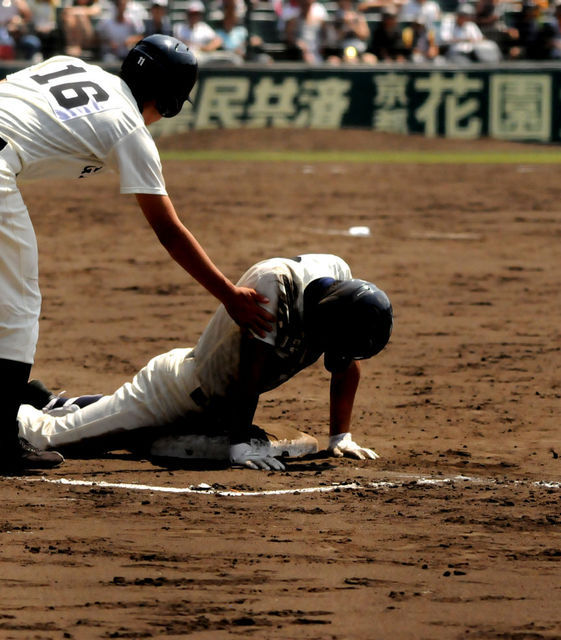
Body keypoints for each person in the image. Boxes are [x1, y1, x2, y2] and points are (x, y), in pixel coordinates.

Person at [0, 34, 273, 472]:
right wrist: (229, 294)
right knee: (17, 304)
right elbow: (169, 231)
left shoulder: (74, 64)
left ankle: (15, 392)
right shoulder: (129, 126)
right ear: (170, 101)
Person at [17, 254, 394, 471]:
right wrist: (239, 441)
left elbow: (345, 363)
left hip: (216, 401)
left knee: (133, 432)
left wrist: (340, 436)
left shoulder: (340, 286)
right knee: (52, 437)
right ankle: (13, 412)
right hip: (177, 394)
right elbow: (250, 368)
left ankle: (54, 401)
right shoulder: (275, 285)